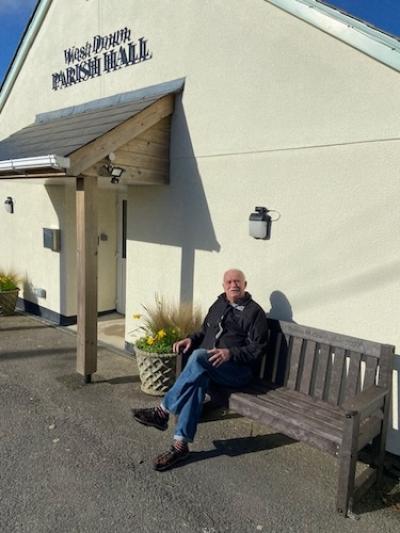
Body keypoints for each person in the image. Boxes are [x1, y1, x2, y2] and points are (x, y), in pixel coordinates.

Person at [133, 269, 269, 471]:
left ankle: (162, 411)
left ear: (245, 284)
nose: (234, 285)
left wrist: (230, 353)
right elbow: (205, 331)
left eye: (238, 282)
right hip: (212, 367)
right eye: (229, 281)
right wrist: (191, 339)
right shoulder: (218, 304)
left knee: (198, 357)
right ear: (223, 285)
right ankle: (180, 445)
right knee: (198, 379)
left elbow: (258, 349)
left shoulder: (254, 313)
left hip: (238, 372)